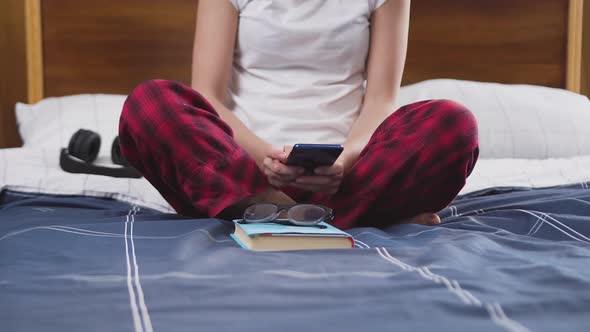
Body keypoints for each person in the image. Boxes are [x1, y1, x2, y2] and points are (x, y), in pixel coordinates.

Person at [118, 0, 479, 229]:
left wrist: (344, 163)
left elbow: (381, 101)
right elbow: (208, 96)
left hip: (349, 172)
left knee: (454, 123)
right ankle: (348, 216)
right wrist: (268, 161)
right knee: (149, 102)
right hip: (243, 169)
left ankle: (266, 216)